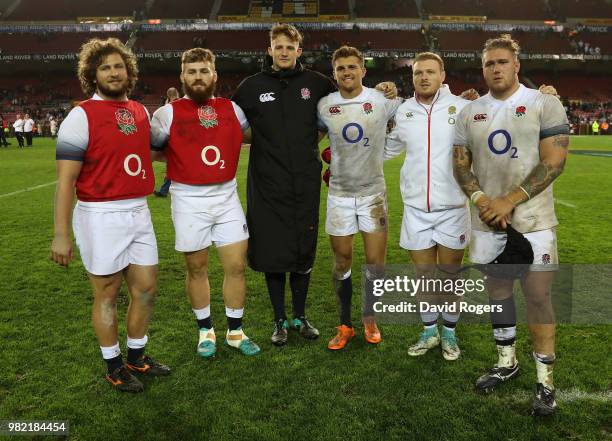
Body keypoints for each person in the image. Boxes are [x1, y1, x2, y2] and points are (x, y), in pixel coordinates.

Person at [232, 23, 396, 346]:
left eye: (289, 47)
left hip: (305, 182)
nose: (283, 52)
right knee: (272, 251)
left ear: (298, 51)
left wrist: (385, 90)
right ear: (269, 50)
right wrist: (266, 144)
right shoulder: (251, 87)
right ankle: (279, 319)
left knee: (303, 249)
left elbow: (339, 112)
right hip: (266, 183)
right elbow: (236, 128)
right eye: (277, 47)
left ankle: (301, 316)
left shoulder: (317, 84)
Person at [452, 34, 569, 416]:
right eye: (489, 63)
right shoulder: (470, 112)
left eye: (502, 62)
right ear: (482, 68)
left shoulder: (543, 103)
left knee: (538, 298)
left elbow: (554, 162)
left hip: (533, 222)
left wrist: (509, 200)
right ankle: (507, 362)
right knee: (498, 293)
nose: (496, 68)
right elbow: (461, 164)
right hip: (487, 223)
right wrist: (483, 201)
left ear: (516, 65)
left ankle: (545, 383)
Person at [50, 37, 170, 393]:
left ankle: (137, 357)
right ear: (92, 74)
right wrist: (61, 234)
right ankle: (114, 365)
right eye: (105, 67)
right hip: (99, 215)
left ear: (128, 71)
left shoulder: (138, 111)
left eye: (119, 66)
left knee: (146, 290)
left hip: (139, 211)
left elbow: (151, 153)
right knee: (107, 293)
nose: (114, 73)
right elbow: (65, 181)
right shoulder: (81, 115)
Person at [150, 48, 260, 357]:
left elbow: (253, 138)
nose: (198, 77)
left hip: (226, 197)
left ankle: (235, 332)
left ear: (214, 75)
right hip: (187, 199)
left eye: (204, 71)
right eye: (192, 71)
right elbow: (152, 150)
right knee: (196, 267)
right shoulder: (167, 113)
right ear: (182, 76)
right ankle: (206, 330)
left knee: (236, 266)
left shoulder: (233, 110)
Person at [385, 52, 472, 360]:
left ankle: (448, 333)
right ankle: (429, 332)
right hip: (415, 210)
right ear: (412, 78)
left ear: (442, 75)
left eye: (430, 72)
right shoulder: (404, 111)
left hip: (452, 209)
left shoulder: (462, 108)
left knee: (449, 277)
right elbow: (385, 150)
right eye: (418, 72)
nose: (423, 77)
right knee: (424, 276)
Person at [317, 46, 401, 350]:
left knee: (376, 263)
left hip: (373, 195)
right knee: (342, 261)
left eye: (352, 67)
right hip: (339, 196)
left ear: (363, 70)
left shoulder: (380, 101)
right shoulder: (326, 105)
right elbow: (311, 138)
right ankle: (344, 324)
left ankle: (369, 318)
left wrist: (383, 153)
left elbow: (413, 114)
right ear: (334, 73)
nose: (347, 73)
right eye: (341, 68)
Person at [153, 87, 180, 198]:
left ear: (168, 96)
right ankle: (165, 190)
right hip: (181, 139)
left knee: (172, 166)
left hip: (173, 140)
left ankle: (164, 191)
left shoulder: (169, 106)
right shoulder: (182, 103)